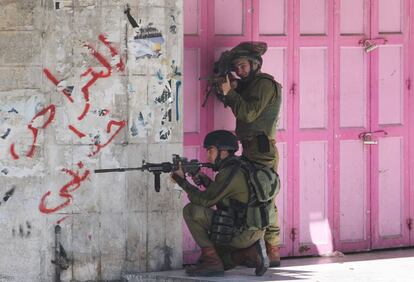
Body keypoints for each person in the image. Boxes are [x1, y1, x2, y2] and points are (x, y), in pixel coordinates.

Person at [218, 41, 282, 267]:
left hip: (262, 150)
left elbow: (248, 113)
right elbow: (236, 103)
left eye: (243, 66)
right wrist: (229, 89)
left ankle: (273, 249)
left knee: (266, 197)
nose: (240, 71)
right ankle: (250, 249)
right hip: (249, 148)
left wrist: (232, 93)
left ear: (255, 64)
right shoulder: (250, 85)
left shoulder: (264, 84)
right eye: (237, 67)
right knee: (249, 198)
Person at [171, 130, 269, 277]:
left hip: (242, 231)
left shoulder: (230, 173)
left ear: (223, 152)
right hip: (250, 229)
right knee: (224, 263)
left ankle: (212, 262)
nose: (207, 156)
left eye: (210, 151)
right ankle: (250, 253)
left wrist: (181, 181)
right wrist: (205, 180)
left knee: (191, 211)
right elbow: (226, 197)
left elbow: (205, 201)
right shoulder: (238, 167)